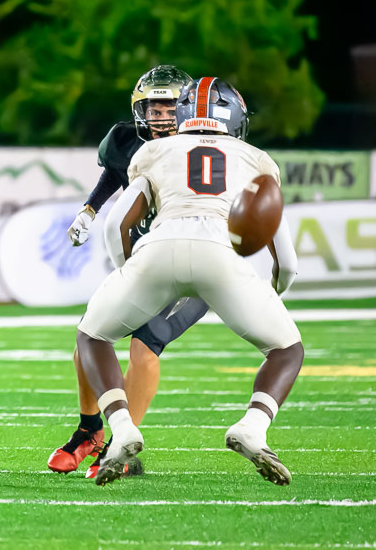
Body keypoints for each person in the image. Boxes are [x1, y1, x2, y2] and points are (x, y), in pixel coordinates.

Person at [75, 76, 302, 486]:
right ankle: (253, 427)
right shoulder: (257, 159)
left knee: (92, 336)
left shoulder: (153, 151)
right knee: (286, 350)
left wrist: (130, 272)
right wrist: (272, 292)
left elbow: (115, 224)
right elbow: (286, 262)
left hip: (158, 249)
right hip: (222, 258)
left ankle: (122, 428)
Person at [48, 65, 210, 479]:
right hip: (146, 263)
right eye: (154, 108)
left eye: (170, 108)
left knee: (143, 349)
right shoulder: (127, 142)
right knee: (89, 340)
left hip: (195, 267)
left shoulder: (206, 149)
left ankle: (122, 447)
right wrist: (89, 210)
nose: (161, 117)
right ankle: (90, 430)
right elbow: (114, 174)